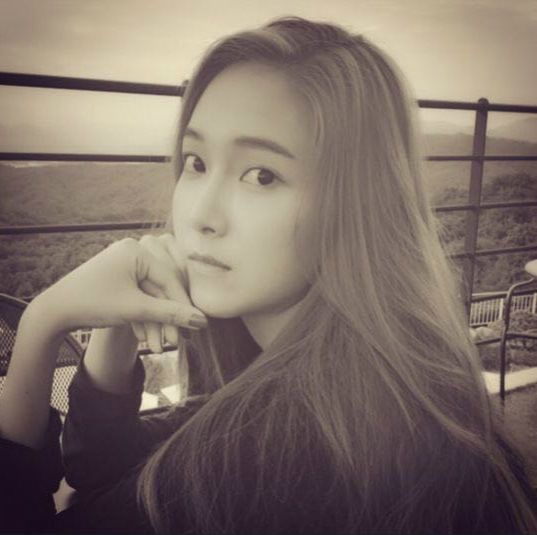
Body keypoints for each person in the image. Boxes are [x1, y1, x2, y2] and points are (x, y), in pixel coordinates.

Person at [0, 16, 536, 534]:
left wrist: (43, 322)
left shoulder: (269, 458)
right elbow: (102, 475)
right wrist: (116, 328)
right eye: (196, 162)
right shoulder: (366, 385)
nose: (201, 215)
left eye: (261, 175)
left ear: (356, 208)